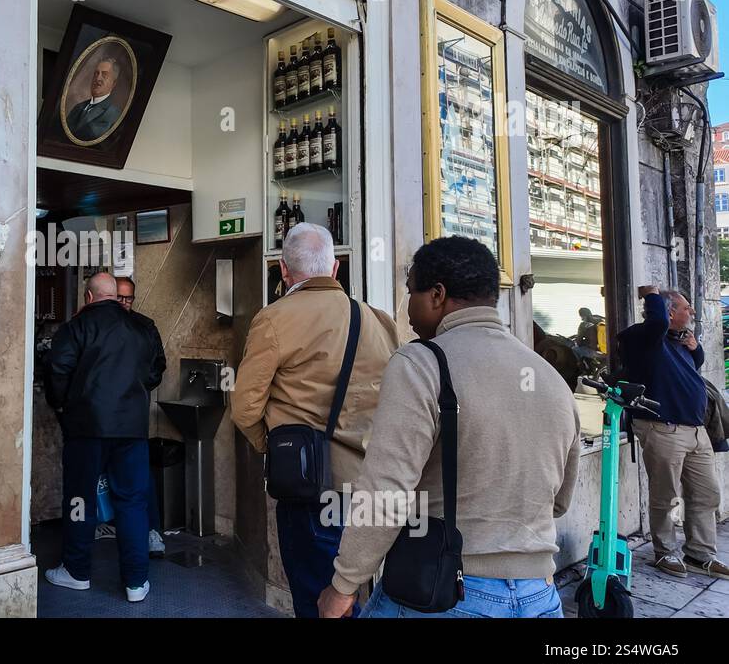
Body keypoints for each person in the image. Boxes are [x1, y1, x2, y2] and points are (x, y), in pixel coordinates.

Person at [318, 236, 581, 618]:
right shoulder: (550, 377)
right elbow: (560, 501)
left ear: (437, 295)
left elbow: (385, 491)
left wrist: (342, 586)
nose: (406, 309)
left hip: (448, 591)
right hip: (540, 596)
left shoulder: (422, 363)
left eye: (411, 292)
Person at [231, 223, 399, 617]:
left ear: (284, 272)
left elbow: (244, 407)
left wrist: (274, 450)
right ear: (335, 268)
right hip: (372, 487)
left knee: (320, 602)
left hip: (310, 489)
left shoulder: (273, 319)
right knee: (354, 597)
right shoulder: (379, 321)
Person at [44, 272, 165, 602]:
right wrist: (133, 395)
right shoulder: (143, 328)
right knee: (132, 502)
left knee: (80, 499)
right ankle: (137, 583)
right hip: (132, 430)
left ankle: (77, 571)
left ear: (88, 297)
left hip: (87, 428)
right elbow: (155, 370)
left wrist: (65, 406)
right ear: (115, 296)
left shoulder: (75, 328)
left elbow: (57, 372)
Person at [618, 287, 729, 580]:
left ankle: (700, 554)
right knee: (665, 496)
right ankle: (665, 551)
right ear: (667, 313)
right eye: (685, 308)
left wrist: (696, 349)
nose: (691, 313)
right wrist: (652, 294)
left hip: (695, 430)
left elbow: (693, 368)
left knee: (707, 493)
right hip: (663, 428)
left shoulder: (677, 342)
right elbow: (655, 324)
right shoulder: (643, 338)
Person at [92, 276, 169, 558]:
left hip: (131, 410)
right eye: (119, 297)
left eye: (128, 298)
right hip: (103, 412)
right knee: (103, 470)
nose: (124, 302)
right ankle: (107, 522)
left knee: (139, 475)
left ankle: (151, 530)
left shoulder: (143, 326)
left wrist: (135, 385)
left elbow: (158, 365)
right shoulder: (98, 324)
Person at [65, 57, 123, 142]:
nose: (98, 78)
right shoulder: (78, 107)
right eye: (96, 73)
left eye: (104, 75)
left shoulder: (113, 114)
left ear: (113, 83)